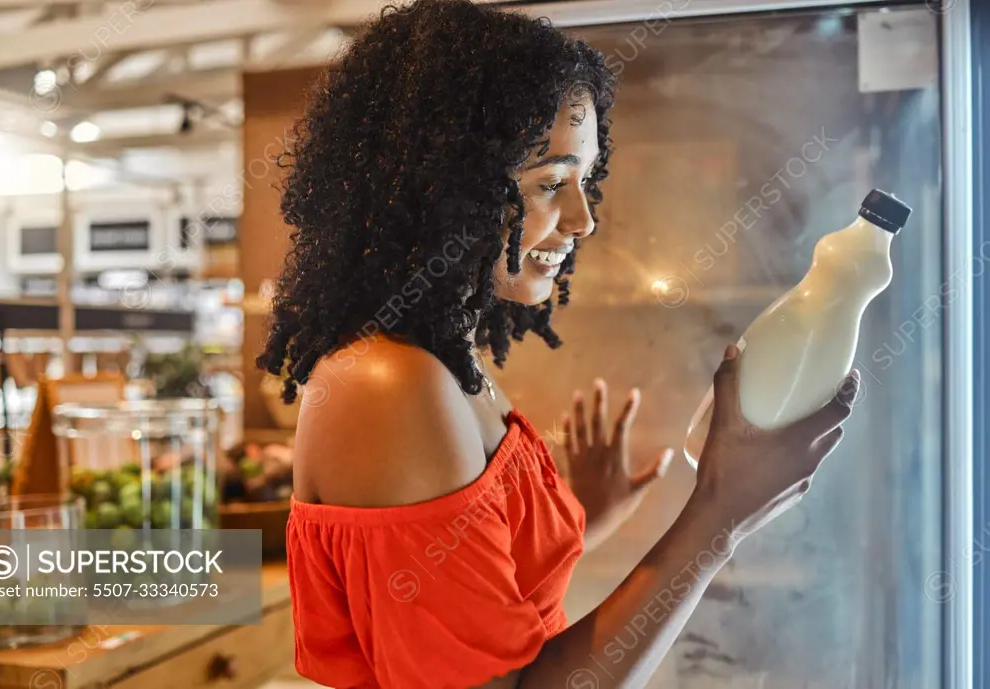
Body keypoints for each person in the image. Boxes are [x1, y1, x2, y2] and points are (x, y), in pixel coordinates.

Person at [257, 1, 859, 687]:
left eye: (586, 179)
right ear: (444, 186)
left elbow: (481, 608)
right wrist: (719, 514)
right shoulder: (387, 384)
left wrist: (579, 522)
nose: (583, 218)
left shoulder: (444, 360)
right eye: (550, 182)